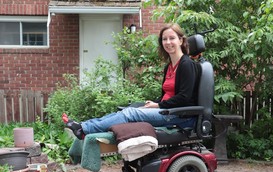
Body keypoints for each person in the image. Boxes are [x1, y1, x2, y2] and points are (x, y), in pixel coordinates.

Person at [62, 23, 199, 140]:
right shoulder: (169, 66)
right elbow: (166, 95)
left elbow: (184, 98)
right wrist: (153, 103)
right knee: (127, 109)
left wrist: (157, 106)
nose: (168, 42)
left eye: (172, 38)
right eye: (164, 39)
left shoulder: (187, 64)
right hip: (167, 110)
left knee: (130, 114)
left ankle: (84, 129)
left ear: (181, 40)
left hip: (179, 115)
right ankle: (84, 126)